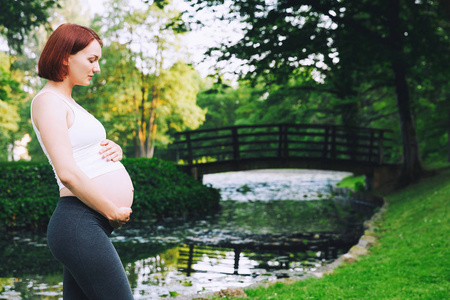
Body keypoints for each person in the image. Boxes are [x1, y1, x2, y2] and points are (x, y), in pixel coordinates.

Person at [30, 23, 135, 299]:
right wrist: (111, 210)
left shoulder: (68, 102)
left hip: (86, 222)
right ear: (66, 56)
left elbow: (83, 150)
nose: (96, 68)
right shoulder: (48, 101)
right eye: (91, 60)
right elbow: (67, 172)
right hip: (79, 221)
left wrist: (115, 151)